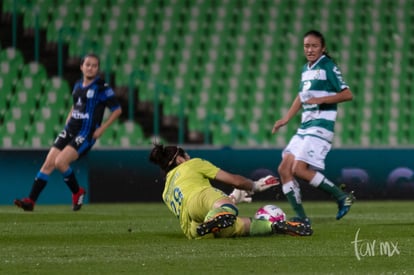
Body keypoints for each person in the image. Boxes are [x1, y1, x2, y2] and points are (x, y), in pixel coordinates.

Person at [14, 53, 122, 211]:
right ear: (81, 67)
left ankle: (77, 192)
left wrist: (101, 129)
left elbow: (117, 110)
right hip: (70, 129)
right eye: (88, 65)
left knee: (60, 162)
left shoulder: (101, 87)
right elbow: (76, 105)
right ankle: (30, 201)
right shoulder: (77, 85)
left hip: (85, 133)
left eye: (94, 65)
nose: (91, 68)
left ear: (98, 69)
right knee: (48, 163)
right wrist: (68, 118)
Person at [271, 30, 355, 225]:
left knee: (299, 169)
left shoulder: (328, 66)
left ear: (322, 48)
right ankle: (301, 217)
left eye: (314, 46)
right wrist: (285, 118)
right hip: (305, 126)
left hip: (321, 124)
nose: (309, 49)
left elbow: (347, 94)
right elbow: (301, 97)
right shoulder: (305, 69)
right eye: (306, 46)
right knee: (284, 169)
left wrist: (323, 99)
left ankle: (341, 196)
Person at [149, 144, 313, 239]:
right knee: (222, 206)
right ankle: (274, 224)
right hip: (200, 200)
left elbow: (194, 210)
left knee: (238, 225)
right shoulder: (192, 164)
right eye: (187, 155)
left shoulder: (166, 192)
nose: (189, 157)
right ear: (179, 159)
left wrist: (233, 197)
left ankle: (274, 226)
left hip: (195, 231)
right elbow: (235, 180)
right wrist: (254, 186)